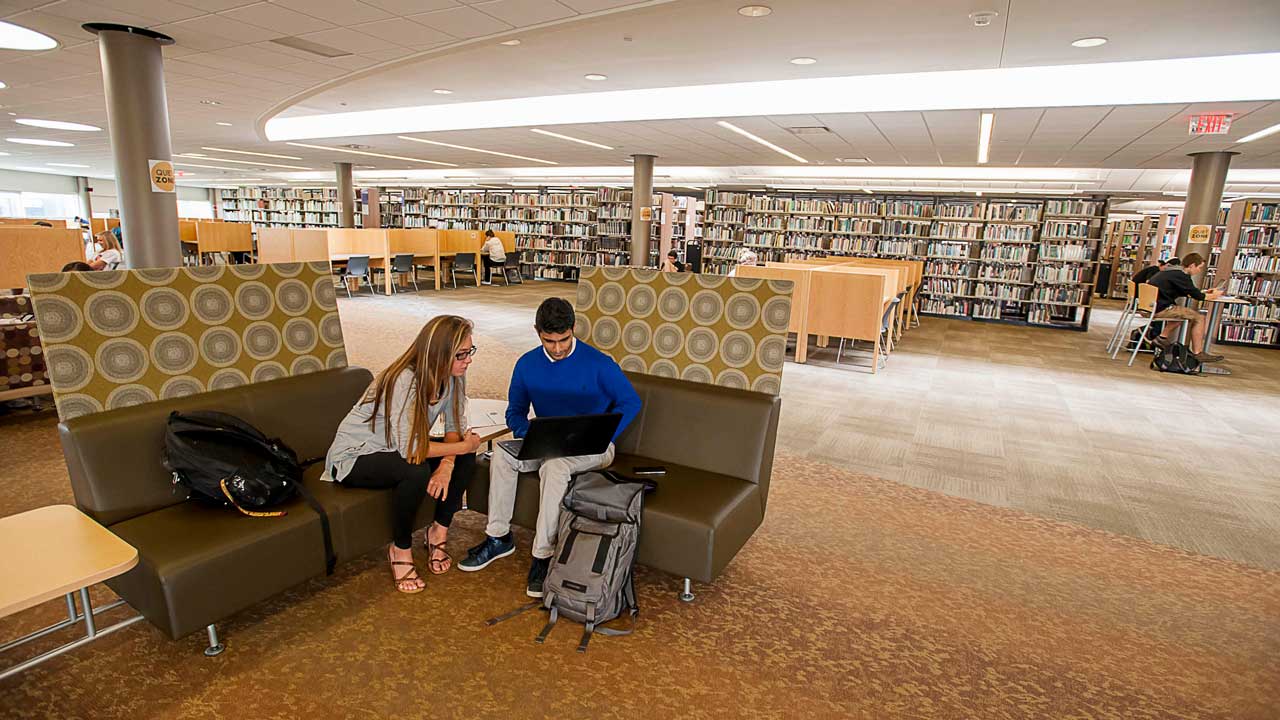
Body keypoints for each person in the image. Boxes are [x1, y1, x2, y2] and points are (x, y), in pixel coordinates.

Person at [459, 297, 642, 598]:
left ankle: (542, 556)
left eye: (563, 340)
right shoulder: (527, 364)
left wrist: (608, 435)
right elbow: (515, 411)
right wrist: (525, 432)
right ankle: (498, 537)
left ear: (572, 329)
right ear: (537, 332)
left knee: (554, 467)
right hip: (547, 442)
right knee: (502, 455)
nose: (557, 348)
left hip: (594, 446)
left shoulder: (599, 364)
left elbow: (631, 402)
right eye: (549, 341)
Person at [323, 315, 483, 593]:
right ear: (439, 354)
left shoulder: (453, 374)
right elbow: (411, 451)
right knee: (417, 469)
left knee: (467, 459)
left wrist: (447, 463)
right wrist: (460, 447)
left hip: (398, 447)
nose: (468, 359)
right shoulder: (404, 379)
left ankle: (438, 532)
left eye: (470, 351)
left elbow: (455, 424)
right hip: (356, 455)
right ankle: (400, 549)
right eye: (461, 354)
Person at [1147, 252, 1224, 363]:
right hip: (1160, 308)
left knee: (1183, 314)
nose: (1199, 271)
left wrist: (1205, 292)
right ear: (1192, 265)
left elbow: (1187, 291)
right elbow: (1198, 297)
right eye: (1199, 267)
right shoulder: (1182, 276)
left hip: (1149, 306)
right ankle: (1198, 353)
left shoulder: (1172, 271)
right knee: (1199, 318)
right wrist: (1215, 295)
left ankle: (1162, 338)